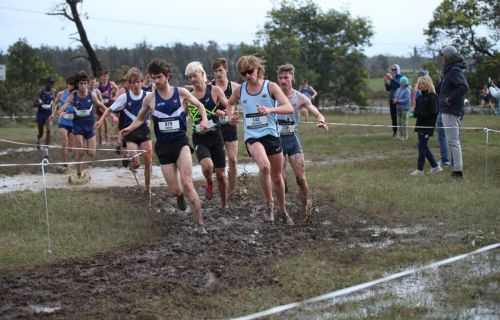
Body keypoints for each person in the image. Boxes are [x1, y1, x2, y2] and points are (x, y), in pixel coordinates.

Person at [119, 58, 209, 234]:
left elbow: (200, 106)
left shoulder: (181, 92)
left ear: (167, 76)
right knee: (175, 190)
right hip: (163, 148)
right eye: (153, 78)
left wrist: (204, 119)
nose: (156, 81)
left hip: (181, 144)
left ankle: (200, 225)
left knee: (187, 182)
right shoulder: (150, 99)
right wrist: (127, 129)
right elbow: (139, 119)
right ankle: (179, 196)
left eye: (159, 77)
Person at [226, 55, 294, 225]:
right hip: (252, 136)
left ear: (257, 69)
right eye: (243, 74)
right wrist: (230, 117)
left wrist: (270, 109)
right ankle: (269, 205)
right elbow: (230, 103)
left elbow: (288, 107)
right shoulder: (240, 90)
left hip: (271, 134)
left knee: (277, 177)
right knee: (264, 167)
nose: (248, 76)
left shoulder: (270, 86)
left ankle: (282, 210)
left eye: (250, 71)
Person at [276, 64, 328, 223]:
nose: (283, 81)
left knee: (301, 178)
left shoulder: (299, 97)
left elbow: (317, 112)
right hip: (276, 141)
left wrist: (321, 121)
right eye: (280, 78)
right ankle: (281, 210)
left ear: (292, 78)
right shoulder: (272, 95)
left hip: (292, 139)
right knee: (281, 179)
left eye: (286, 77)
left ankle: (307, 208)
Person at [96, 67, 153, 195]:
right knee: (136, 164)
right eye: (133, 82)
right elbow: (109, 109)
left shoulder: (149, 96)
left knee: (148, 159)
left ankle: (147, 189)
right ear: (129, 84)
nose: (136, 85)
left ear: (141, 81)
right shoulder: (124, 97)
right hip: (130, 133)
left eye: (138, 81)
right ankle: (128, 156)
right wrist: (101, 121)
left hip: (144, 130)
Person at [185, 61, 229, 210]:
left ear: (202, 74)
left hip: (216, 137)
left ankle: (224, 204)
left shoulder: (215, 90)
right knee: (208, 166)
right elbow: (182, 116)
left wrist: (223, 111)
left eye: (195, 76)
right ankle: (209, 182)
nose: (192, 80)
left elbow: (228, 106)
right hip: (200, 138)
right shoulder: (189, 97)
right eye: (190, 77)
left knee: (222, 175)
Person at [59, 71, 108, 182]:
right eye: (81, 83)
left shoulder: (92, 94)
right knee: (80, 151)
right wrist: (61, 112)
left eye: (85, 83)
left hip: (89, 127)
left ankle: (84, 149)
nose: (83, 86)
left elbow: (101, 105)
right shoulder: (73, 95)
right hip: (77, 127)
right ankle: (78, 173)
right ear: (78, 84)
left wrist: (111, 115)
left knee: (91, 153)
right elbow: (65, 105)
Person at [437, 45, 469, 180]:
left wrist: (450, 99)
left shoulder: (454, 70)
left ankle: (458, 172)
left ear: (448, 56)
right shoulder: (450, 70)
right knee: (453, 141)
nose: (442, 57)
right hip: (448, 110)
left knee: (453, 142)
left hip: (450, 110)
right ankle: (457, 170)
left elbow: (464, 87)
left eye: (443, 55)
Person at [212, 58, 241, 196]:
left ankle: (232, 191)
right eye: (215, 71)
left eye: (220, 70)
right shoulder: (209, 87)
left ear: (226, 70)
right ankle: (216, 186)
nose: (218, 74)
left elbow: (247, 101)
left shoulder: (235, 87)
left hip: (229, 127)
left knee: (233, 160)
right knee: (215, 164)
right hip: (214, 128)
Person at [410, 75, 443, 176]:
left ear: (427, 84)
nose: (420, 85)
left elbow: (433, 112)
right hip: (420, 125)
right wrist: (413, 112)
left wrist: (417, 113)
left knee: (422, 147)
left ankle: (420, 170)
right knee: (423, 146)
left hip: (428, 126)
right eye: (419, 83)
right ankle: (436, 167)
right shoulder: (420, 97)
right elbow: (418, 110)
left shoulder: (433, 97)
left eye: (422, 83)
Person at [50, 75, 76, 172]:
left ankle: (69, 153)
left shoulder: (76, 94)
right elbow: (55, 103)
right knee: (64, 142)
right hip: (63, 121)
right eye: (70, 84)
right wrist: (53, 113)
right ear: (67, 85)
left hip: (73, 122)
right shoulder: (61, 94)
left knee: (70, 146)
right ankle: (65, 163)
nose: (71, 86)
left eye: (73, 85)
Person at [33, 77, 57, 155]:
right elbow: (34, 104)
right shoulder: (40, 91)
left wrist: (55, 111)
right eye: (49, 84)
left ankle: (46, 149)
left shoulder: (54, 92)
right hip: (40, 114)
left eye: (52, 84)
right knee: (41, 133)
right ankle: (38, 139)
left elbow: (55, 102)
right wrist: (38, 103)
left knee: (49, 130)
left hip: (48, 114)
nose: (51, 86)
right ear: (46, 83)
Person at [384, 64, 402, 138]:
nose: (393, 71)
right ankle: (395, 132)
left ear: (398, 69)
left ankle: (402, 133)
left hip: (399, 100)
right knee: (393, 116)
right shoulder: (392, 78)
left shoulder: (401, 77)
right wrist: (385, 82)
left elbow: (399, 85)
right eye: (392, 69)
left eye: (395, 69)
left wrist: (391, 78)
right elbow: (389, 89)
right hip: (392, 99)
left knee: (400, 117)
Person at [393, 76, 412, 140]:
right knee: (399, 122)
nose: (401, 83)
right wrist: (395, 100)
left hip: (405, 108)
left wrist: (398, 101)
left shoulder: (407, 90)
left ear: (406, 83)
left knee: (404, 122)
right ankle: (401, 136)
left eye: (403, 82)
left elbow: (406, 99)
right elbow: (396, 96)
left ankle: (405, 136)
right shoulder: (398, 89)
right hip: (398, 108)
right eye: (400, 82)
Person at [97, 71, 112, 144]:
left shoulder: (110, 84)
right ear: (101, 77)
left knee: (105, 120)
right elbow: (94, 93)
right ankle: (100, 137)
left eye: (106, 76)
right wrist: (103, 94)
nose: (105, 78)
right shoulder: (98, 84)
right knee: (100, 119)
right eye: (103, 76)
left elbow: (116, 88)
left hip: (107, 104)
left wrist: (112, 96)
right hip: (99, 104)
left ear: (108, 77)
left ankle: (106, 136)